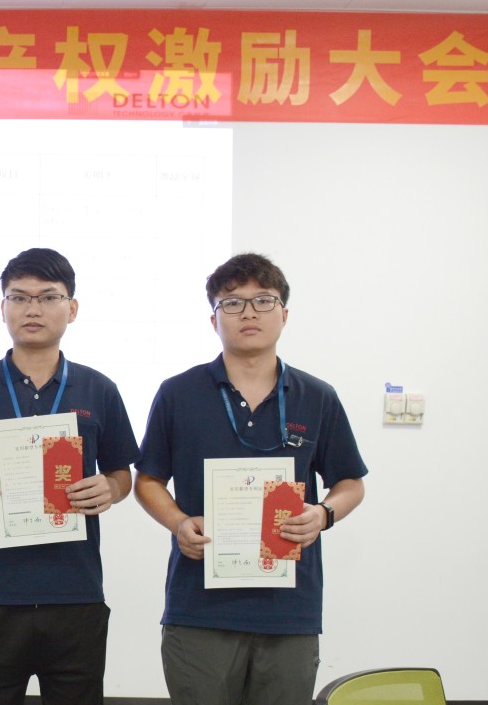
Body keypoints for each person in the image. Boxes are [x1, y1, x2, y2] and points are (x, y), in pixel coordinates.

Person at [134, 252, 368, 705]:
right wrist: (179, 523)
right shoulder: (178, 393)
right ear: (213, 319)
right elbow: (147, 481)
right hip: (199, 607)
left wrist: (323, 514)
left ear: (284, 314)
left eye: (263, 301)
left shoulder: (317, 396)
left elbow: (351, 483)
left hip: (289, 610)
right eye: (232, 303)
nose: (248, 313)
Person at [0, 247, 139, 705]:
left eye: (48, 297)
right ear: (2, 307)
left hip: (76, 593)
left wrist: (110, 488)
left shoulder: (99, 388)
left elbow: (121, 474)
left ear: (72, 308)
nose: (33, 309)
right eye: (19, 297)